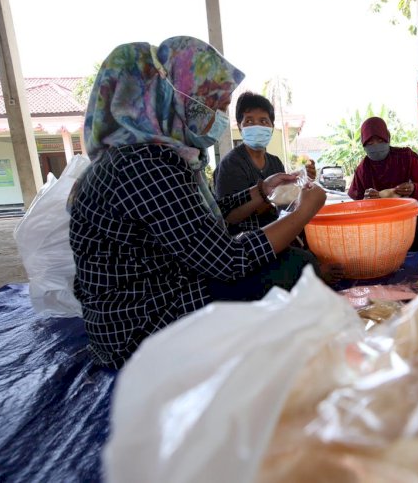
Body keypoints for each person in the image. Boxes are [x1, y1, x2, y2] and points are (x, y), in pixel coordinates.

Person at [70, 37, 326, 369]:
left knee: (288, 260)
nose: (219, 117)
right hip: (138, 332)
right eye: (215, 105)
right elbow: (228, 260)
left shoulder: (157, 156)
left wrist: (261, 191)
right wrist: (305, 211)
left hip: (156, 294)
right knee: (291, 267)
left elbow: (198, 221)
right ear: (170, 97)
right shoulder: (144, 165)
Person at [214, 91, 316, 234]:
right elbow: (229, 216)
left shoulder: (275, 162)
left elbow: (286, 201)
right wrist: (271, 197)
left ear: (271, 128)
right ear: (239, 126)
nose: (257, 126)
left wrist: (301, 180)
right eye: (249, 121)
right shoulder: (230, 165)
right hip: (247, 243)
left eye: (263, 121)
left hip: (279, 234)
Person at [347, 117, 418, 201]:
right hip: (378, 216)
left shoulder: (406, 158)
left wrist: (414, 189)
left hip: (406, 213)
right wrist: (366, 199)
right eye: (370, 143)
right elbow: (356, 202)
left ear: (388, 138)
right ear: (363, 145)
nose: (376, 146)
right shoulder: (362, 170)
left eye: (380, 141)